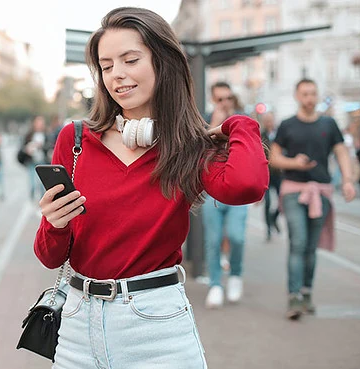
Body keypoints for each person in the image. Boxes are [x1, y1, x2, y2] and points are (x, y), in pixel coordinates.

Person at [32, 7, 268, 368]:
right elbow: (50, 256)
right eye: (107, 65)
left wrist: (240, 125)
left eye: (130, 60)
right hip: (78, 328)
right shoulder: (76, 140)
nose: (118, 75)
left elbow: (247, 187)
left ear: (163, 62)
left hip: (157, 329)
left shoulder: (190, 147)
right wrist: (55, 222)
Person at [270, 78, 356, 320]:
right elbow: (273, 158)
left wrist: (348, 180)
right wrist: (294, 162)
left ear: (317, 96)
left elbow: (341, 152)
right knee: (298, 241)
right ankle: (294, 297)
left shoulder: (329, 124)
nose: (309, 98)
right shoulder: (287, 125)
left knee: (311, 247)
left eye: (313, 93)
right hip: (293, 190)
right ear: (297, 96)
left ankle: (306, 292)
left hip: (322, 191)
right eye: (305, 94)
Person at [202, 82, 251, 309]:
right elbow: (200, 150)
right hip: (212, 191)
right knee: (213, 240)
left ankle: (235, 275)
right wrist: (215, 124)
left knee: (237, 236)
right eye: (220, 99)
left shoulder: (241, 120)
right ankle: (215, 284)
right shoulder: (204, 120)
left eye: (228, 98)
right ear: (213, 100)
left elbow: (250, 152)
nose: (225, 103)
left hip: (237, 190)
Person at [260, 111, 283, 240]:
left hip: (279, 174)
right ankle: (268, 228)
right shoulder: (261, 136)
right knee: (267, 202)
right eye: (267, 120)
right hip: (267, 175)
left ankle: (274, 218)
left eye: (271, 120)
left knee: (282, 201)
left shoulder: (279, 135)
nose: (269, 122)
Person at [20, 115, 48, 201]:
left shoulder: (46, 134)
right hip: (31, 162)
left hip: (43, 162)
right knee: (32, 184)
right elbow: (23, 147)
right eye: (37, 122)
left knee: (42, 185)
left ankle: (42, 202)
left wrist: (41, 147)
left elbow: (50, 146)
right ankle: (32, 200)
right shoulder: (29, 135)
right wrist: (27, 149)